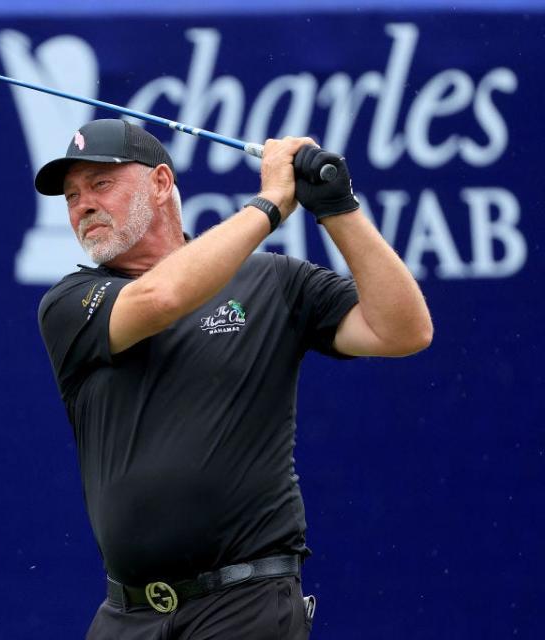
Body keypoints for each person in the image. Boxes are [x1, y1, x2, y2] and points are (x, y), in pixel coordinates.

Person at [34, 119, 432, 640]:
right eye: (70, 195)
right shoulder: (68, 303)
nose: (82, 205)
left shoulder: (274, 281)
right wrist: (269, 205)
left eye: (100, 184)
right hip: (126, 616)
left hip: (245, 604)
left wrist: (337, 209)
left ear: (159, 184)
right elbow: (162, 299)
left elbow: (403, 329)